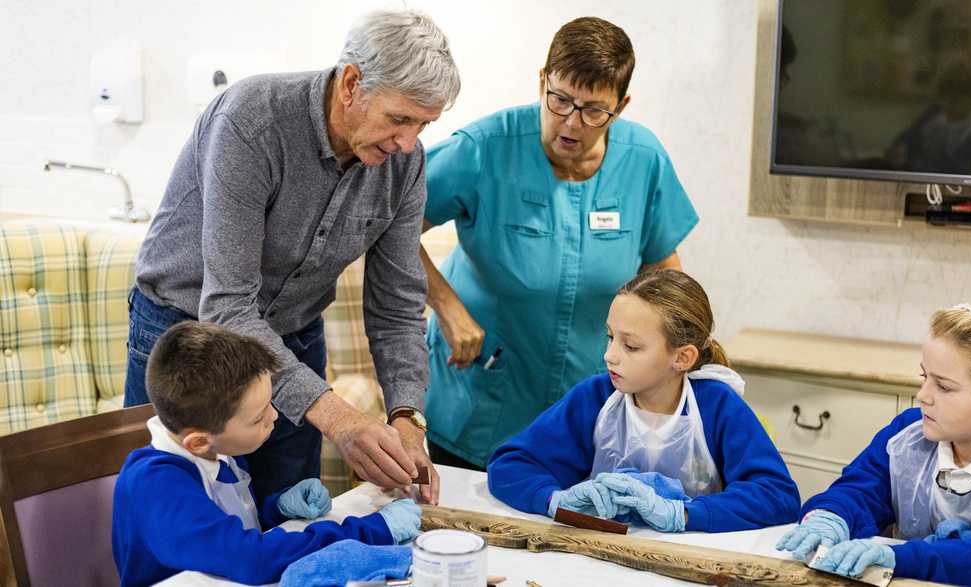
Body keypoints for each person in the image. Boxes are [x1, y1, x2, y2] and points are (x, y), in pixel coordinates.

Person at [123, 9, 460, 504]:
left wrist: (408, 418)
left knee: (291, 513)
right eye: (400, 119)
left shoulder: (405, 162)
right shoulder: (251, 121)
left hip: (292, 339)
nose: (409, 143)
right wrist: (340, 418)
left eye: (424, 124)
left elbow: (396, 308)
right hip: (188, 339)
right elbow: (229, 307)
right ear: (351, 84)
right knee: (172, 526)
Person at [420, 17, 699, 470]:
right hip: (482, 397)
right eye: (560, 100)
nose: (571, 123)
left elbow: (664, 270)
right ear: (542, 81)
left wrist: (680, 354)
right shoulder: (484, 148)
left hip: (589, 402)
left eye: (593, 110)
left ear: (621, 106)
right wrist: (447, 308)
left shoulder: (644, 159)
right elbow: (388, 225)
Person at [486, 270, 800, 532]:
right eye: (610, 337)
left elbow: (777, 496)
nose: (609, 356)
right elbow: (509, 465)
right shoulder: (596, 398)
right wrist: (555, 499)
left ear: (681, 357)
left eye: (631, 346)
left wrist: (685, 514)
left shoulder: (718, 407)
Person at [112, 322, 421, 586]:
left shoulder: (216, 449)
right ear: (198, 442)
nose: (274, 417)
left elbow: (221, 527)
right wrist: (372, 530)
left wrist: (276, 509)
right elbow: (250, 558)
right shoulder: (157, 486)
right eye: (258, 417)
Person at [776, 300, 971, 585]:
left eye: (944, 386)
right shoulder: (908, 433)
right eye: (924, 376)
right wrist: (830, 516)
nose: (923, 396)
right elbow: (858, 489)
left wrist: (899, 557)